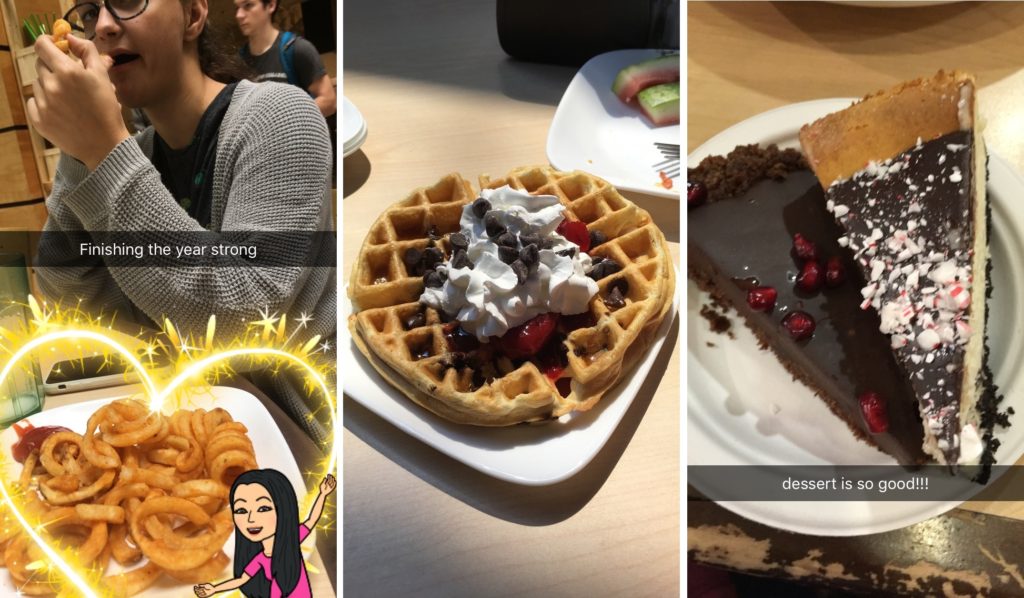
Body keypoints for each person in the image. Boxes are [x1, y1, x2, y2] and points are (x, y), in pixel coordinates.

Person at [27, 0, 336, 443]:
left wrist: (105, 150)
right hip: (180, 437)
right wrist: (78, 150)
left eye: (129, 2)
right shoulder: (137, 151)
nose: (105, 27)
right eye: (92, 11)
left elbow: (241, 317)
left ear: (193, 16)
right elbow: (72, 297)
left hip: (303, 445)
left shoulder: (281, 116)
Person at [194, 470, 337, 597]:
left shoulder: (291, 539)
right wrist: (214, 589)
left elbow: (312, 520)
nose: (251, 519)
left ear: (282, 507)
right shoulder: (259, 559)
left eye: (262, 508)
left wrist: (323, 494)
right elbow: (241, 580)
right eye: (241, 510)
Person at [235, 0, 336, 119]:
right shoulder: (239, 61)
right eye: (237, 7)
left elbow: (329, 101)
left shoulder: (297, 49)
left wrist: (284, 120)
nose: (239, 15)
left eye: (248, 5)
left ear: (271, 5)